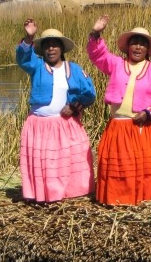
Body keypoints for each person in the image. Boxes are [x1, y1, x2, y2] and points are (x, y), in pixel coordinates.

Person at [87, 15, 151, 205]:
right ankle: (117, 195)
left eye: (143, 44)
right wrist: (96, 33)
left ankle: (141, 193)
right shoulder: (116, 64)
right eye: (135, 43)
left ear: (148, 49)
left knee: (140, 164)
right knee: (119, 164)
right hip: (119, 125)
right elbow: (98, 55)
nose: (138, 47)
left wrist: (149, 112)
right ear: (128, 47)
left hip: (143, 126)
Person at [16, 18, 96, 203]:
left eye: (55, 45)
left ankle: (72, 191)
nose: (51, 49)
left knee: (66, 160)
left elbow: (90, 93)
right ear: (42, 50)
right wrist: (29, 37)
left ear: (62, 49)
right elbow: (22, 58)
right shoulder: (37, 66)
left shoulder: (73, 69)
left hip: (65, 124)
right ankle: (45, 193)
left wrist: (74, 106)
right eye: (47, 46)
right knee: (46, 162)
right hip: (39, 126)